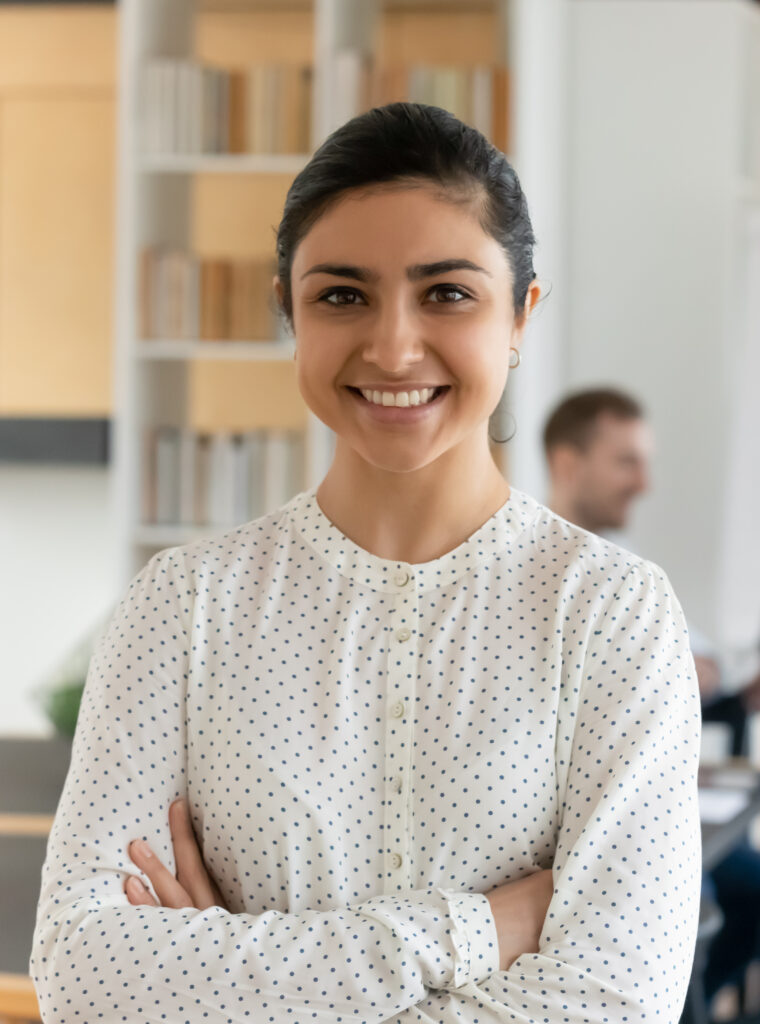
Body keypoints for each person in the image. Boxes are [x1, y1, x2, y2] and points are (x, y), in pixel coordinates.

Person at [30, 104, 701, 1023]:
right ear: (290, 314)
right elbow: (82, 974)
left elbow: (618, 1002)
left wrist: (231, 981)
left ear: (521, 314)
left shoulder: (614, 614)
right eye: (342, 295)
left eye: (447, 293)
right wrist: (482, 932)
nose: (391, 346)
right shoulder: (180, 609)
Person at [543, 386, 760, 1009]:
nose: (644, 483)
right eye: (627, 461)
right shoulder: (541, 576)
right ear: (568, 462)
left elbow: (707, 659)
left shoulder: (630, 576)